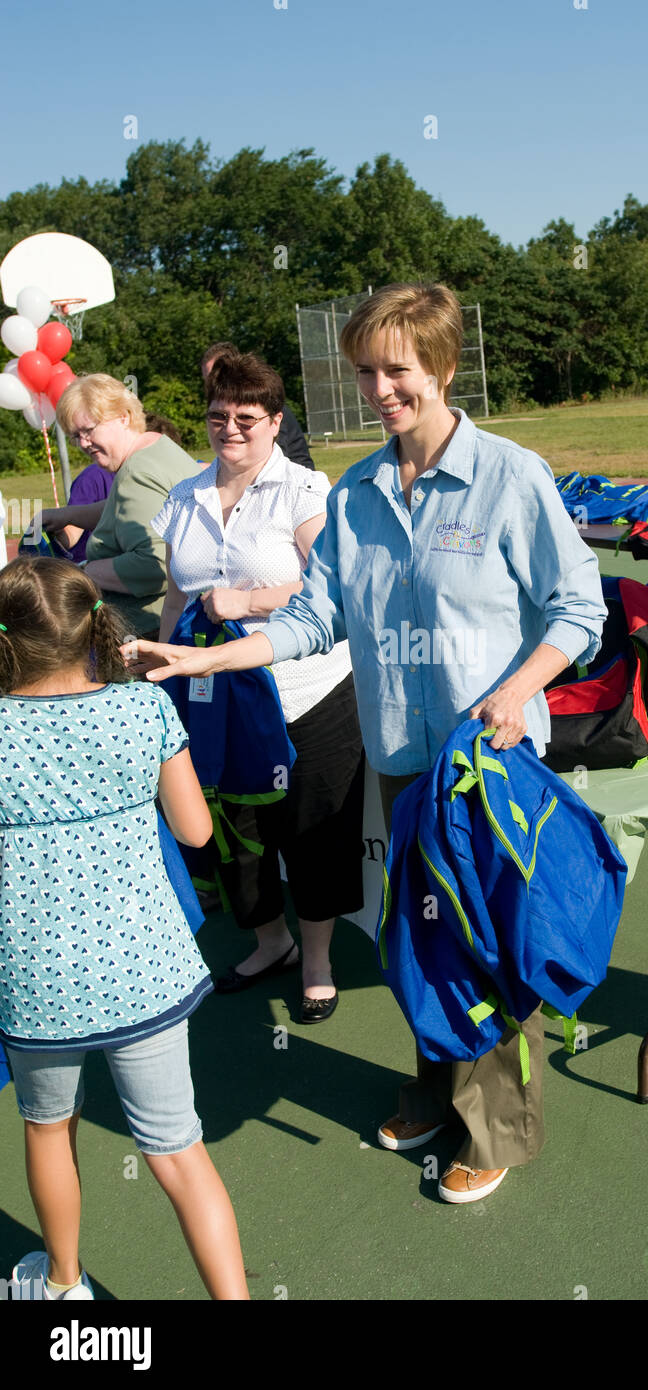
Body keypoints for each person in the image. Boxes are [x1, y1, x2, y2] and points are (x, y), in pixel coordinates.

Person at [124, 282, 607, 1204]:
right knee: (422, 936)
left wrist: (516, 687)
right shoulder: (357, 495)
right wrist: (206, 658)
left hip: (488, 764)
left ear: (444, 367)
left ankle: (495, 1127)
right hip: (398, 758)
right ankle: (435, 1089)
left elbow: (577, 608)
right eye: (366, 372)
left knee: (487, 946)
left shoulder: (511, 476)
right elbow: (314, 616)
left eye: (399, 369)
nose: (382, 388)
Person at [0, 556, 248, 1299]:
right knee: (179, 1152)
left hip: (35, 976)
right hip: (143, 969)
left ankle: (63, 1283)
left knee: (48, 1128)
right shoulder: (141, 708)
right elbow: (198, 832)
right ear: (90, 625)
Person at [152, 352, 364, 1021]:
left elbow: (333, 586)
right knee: (233, 830)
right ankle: (271, 941)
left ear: (275, 421)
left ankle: (319, 959)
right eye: (218, 417)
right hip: (213, 699)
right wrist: (163, 666)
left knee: (313, 830)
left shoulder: (304, 492)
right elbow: (178, 591)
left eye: (248, 418)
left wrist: (249, 599)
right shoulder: (185, 494)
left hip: (308, 691)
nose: (231, 429)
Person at [38, 375, 200, 638]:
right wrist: (67, 515)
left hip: (149, 631)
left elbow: (154, 565)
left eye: (88, 430)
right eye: (75, 436)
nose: (83, 443)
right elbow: (126, 509)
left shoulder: (136, 474)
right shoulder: (157, 448)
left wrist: (85, 572)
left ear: (124, 416)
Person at [201, 342, 315, 471]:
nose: (230, 429)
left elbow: (268, 458)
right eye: (218, 416)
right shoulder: (187, 489)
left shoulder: (267, 405)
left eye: (245, 417)